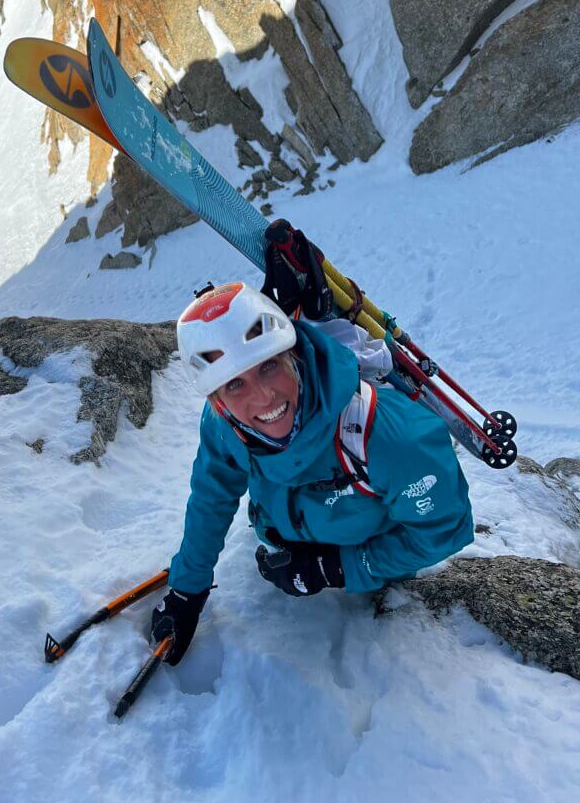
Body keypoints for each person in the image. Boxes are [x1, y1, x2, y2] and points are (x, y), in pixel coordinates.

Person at [151, 221, 474, 665]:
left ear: (294, 355)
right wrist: (188, 589)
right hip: (287, 530)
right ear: (216, 400)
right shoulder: (224, 421)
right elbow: (213, 495)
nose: (263, 398)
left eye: (268, 367)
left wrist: (338, 568)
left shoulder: (390, 434)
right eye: (235, 385)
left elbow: (445, 529)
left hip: (370, 554)